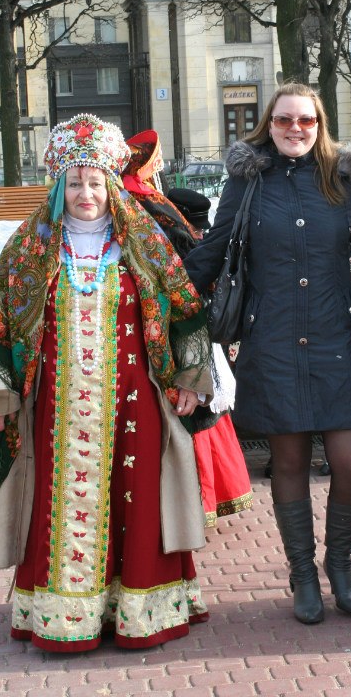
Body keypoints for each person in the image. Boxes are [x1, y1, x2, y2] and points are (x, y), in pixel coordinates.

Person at [0, 113, 213, 652]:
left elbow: (186, 308)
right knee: (55, 506)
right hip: (55, 409)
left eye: (96, 182)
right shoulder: (30, 246)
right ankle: (64, 616)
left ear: (111, 186)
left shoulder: (143, 242)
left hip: (135, 403)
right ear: (60, 186)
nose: (86, 193)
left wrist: (193, 375)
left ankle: (140, 611)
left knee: (139, 498)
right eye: (74, 182)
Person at [185, 82, 351, 624]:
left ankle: (339, 565)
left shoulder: (345, 179)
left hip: (334, 339)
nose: (294, 129)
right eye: (283, 121)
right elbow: (212, 248)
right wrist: (164, 296)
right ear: (267, 125)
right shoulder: (248, 180)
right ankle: (302, 574)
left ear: (320, 124)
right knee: (290, 461)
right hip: (271, 339)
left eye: (305, 120)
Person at [121, 129, 253, 527]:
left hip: (149, 317)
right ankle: (194, 501)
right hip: (172, 314)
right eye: (155, 162)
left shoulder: (131, 198)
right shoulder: (147, 202)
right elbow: (185, 258)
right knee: (185, 402)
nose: (158, 169)